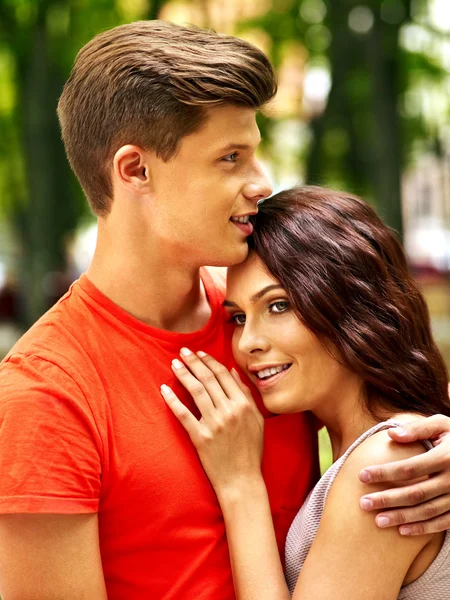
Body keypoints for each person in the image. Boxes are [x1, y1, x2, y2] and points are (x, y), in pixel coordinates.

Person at [0, 21, 449, 600]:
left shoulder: (269, 326)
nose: (261, 182)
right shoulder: (46, 398)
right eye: (230, 157)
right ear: (136, 170)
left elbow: (379, 412)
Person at [162, 186, 450, 599]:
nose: (247, 343)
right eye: (239, 317)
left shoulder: (388, 462)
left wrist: (240, 485)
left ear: (352, 303)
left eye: (278, 306)